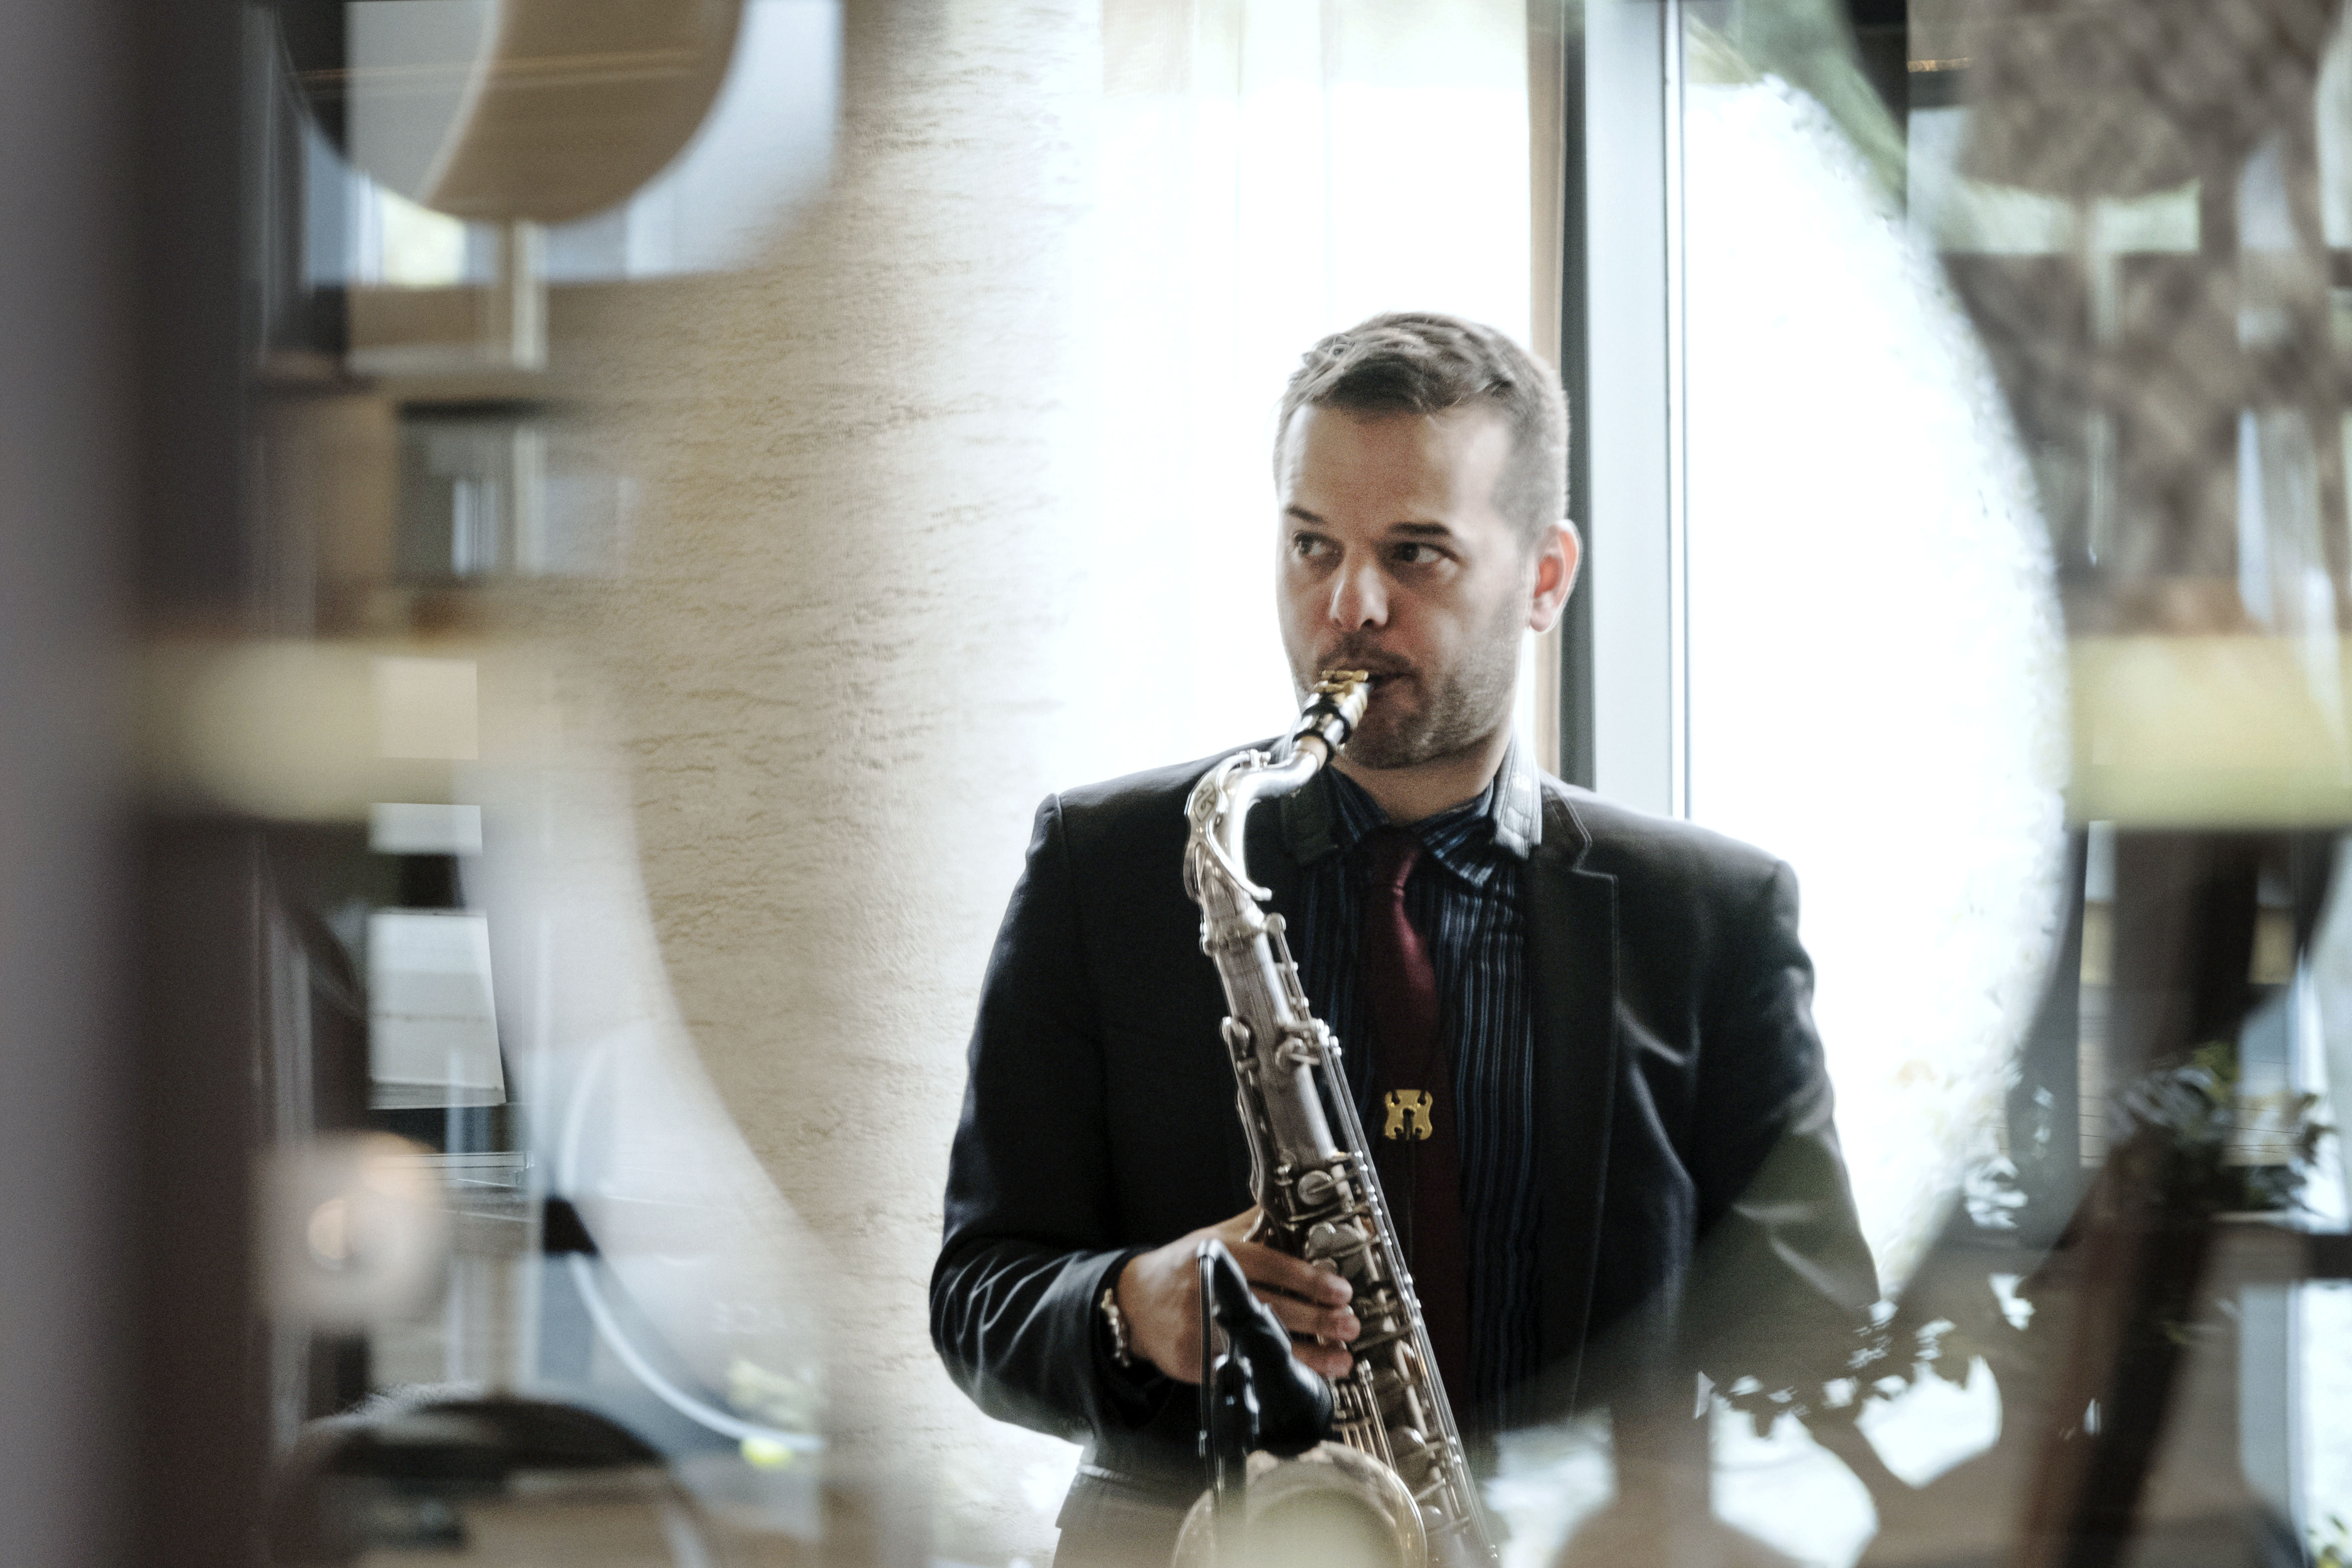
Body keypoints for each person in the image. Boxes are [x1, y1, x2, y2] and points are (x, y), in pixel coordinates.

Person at [929, 313, 1876, 1566]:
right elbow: (979, 1290)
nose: (1348, 607)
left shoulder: (1711, 915)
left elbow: (1818, 1339)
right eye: (1311, 546)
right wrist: (1131, 1305)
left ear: (1545, 578)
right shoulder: (1106, 863)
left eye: (1415, 554)